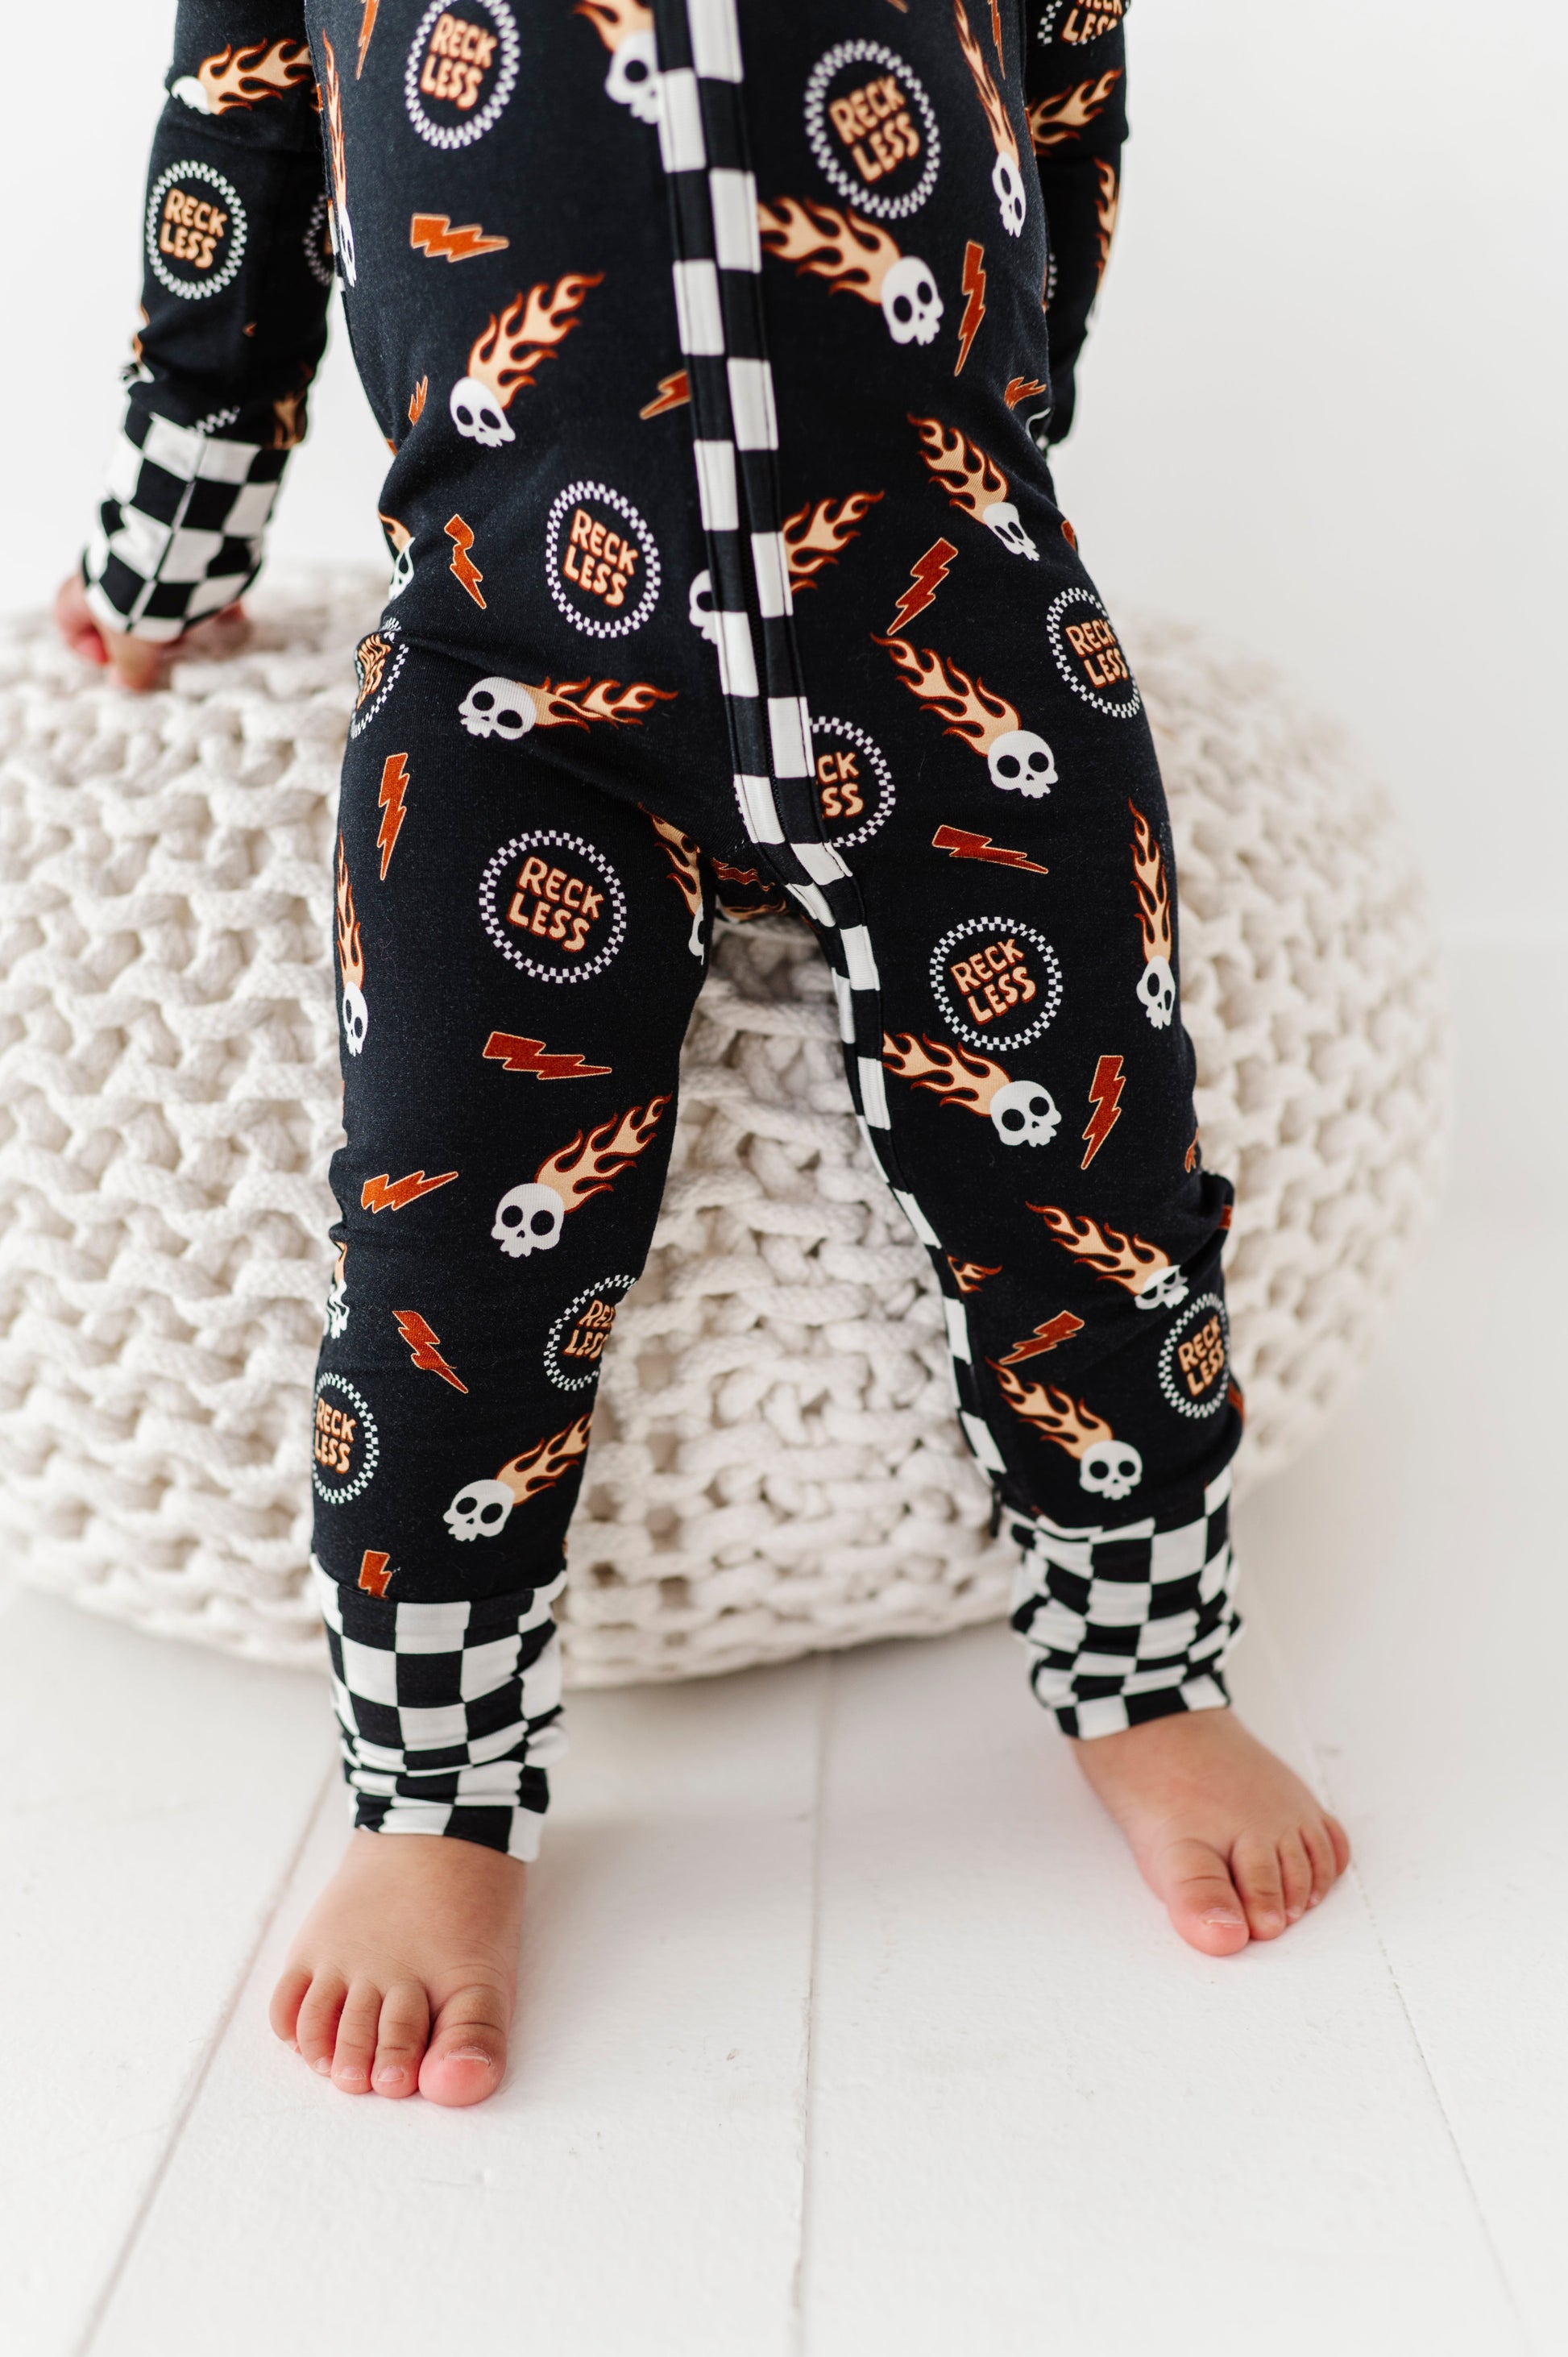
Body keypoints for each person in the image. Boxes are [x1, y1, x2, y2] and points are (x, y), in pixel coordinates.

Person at [59, 0, 1349, 2108]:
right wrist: (166, 543)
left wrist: (1009, 414)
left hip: (955, 608)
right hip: (514, 668)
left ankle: (1146, 1670)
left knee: (1092, 1178)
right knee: (451, 1235)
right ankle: (435, 1791)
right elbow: (240, 142)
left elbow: (1067, 85)